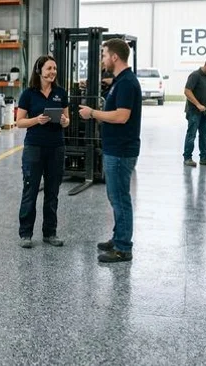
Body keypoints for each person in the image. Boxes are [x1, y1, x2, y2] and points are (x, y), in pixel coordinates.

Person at [79, 38, 142, 263]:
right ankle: (118, 238)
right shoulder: (120, 80)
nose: (103, 59)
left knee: (120, 198)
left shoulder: (126, 83)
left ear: (115, 57)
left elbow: (121, 116)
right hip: (115, 148)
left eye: (104, 55)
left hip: (121, 150)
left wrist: (93, 113)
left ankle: (123, 248)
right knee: (115, 196)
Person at [15, 56, 70, 249]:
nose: (52, 72)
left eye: (54, 68)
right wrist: (36, 120)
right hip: (34, 147)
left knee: (52, 192)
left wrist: (64, 121)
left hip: (56, 147)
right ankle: (26, 234)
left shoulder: (61, 93)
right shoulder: (28, 94)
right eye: (49, 68)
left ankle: (50, 233)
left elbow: (67, 118)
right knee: (30, 190)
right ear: (39, 70)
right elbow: (19, 122)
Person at [183, 57, 206, 167]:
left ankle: (204, 158)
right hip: (194, 111)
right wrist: (198, 104)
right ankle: (187, 158)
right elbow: (187, 91)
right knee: (191, 134)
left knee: (204, 135)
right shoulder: (195, 75)